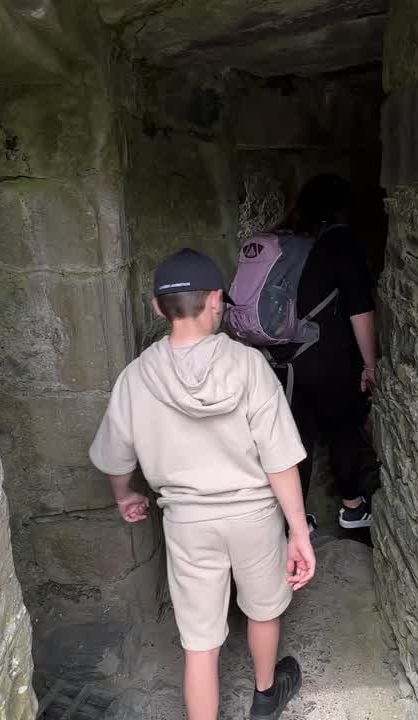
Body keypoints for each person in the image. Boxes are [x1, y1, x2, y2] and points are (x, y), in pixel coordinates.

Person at [89, 248, 315, 720]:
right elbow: (279, 460)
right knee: (263, 608)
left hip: (188, 522)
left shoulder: (136, 377)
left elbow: (115, 455)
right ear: (216, 300)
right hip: (253, 515)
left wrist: (124, 494)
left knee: (199, 642)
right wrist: (298, 530)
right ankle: (266, 695)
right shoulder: (250, 366)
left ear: (156, 307)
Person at [270, 173, 380, 531]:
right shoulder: (341, 241)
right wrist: (370, 363)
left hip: (284, 359)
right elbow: (359, 308)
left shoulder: (286, 241)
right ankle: (351, 508)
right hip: (328, 359)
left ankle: (296, 521)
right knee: (342, 429)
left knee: (294, 437)